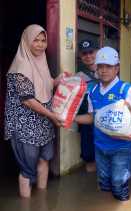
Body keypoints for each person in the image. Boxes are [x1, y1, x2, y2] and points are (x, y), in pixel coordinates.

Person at [74, 46, 131, 201]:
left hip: (122, 147)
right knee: (104, 184)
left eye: (109, 67)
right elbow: (92, 118)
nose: (104, 70)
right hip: (100, 147)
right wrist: (71, 118)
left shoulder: (127, 90)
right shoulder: (92, 91)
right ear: (96, 69)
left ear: (117, 68)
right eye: (100, 67)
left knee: (119, 184)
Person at [4, 24, 63, 198]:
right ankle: (26, 203)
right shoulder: (21, 67)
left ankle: (42, 199)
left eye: (43, 40)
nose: (40, 44)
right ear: (26, 41)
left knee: (45, 159)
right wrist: (52, 115)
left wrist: (59, 80)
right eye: (35, 40)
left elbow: (45, 85)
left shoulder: (41, 62)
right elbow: (28, 100)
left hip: (43, 124)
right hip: (25, 127)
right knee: (27, 169)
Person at [77, 40, 99, 172]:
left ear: (97, 52)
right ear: (80, 56)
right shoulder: (78, 76)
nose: (88, 56)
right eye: (84, 53)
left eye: (91, 52)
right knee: (89, 156)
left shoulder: (106, 70)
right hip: (87, 121)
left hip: (106, 119)